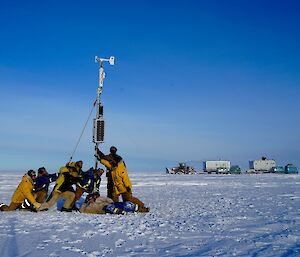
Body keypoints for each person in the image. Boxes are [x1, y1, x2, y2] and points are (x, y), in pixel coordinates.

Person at [95, 146, 149, 212]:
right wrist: (100, 159)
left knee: (129, 200)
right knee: (114, 200)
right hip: (116, 187)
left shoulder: (120, 168)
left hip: (124, 187)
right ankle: (117, 210)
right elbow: (106, 162)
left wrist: (128, 186)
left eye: (112, 162)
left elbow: (125, 178)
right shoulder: (113, 167)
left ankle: (141, 206)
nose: (111, 163)